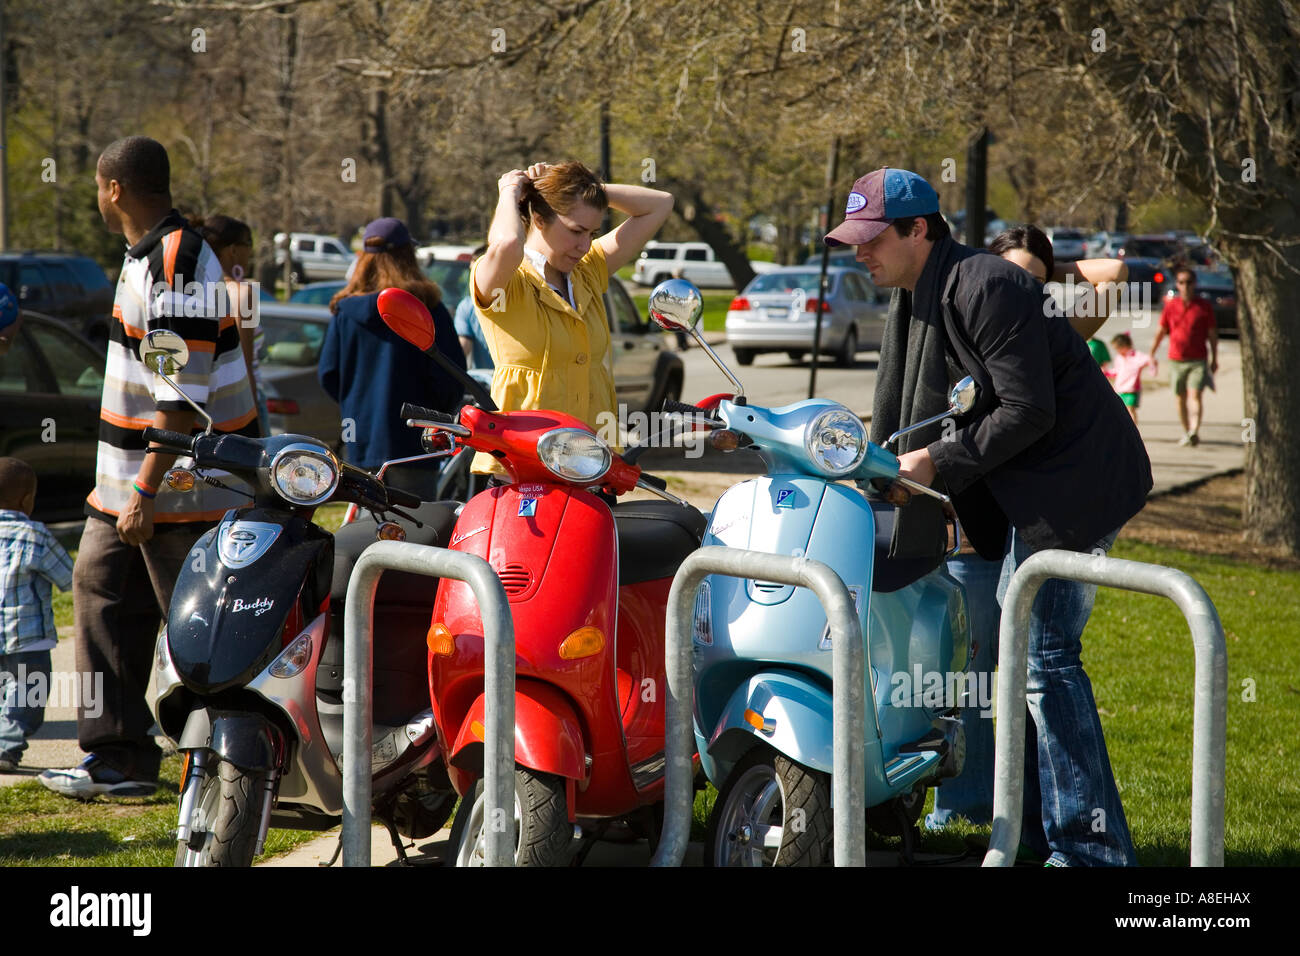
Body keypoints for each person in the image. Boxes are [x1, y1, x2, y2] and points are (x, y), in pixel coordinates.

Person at [827, 166, 1151, 866]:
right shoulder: (921, 290)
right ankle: (1035, 835)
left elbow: (1028, 410)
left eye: (870, 237)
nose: (858, 251)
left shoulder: (989, 285)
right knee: (1023, 663)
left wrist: (936, 463)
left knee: (1045, 660)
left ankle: (1090, 853)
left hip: (1076, 489)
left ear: (919, 229)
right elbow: (920, 412)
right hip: (1032, 488)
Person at [40, 136, 258, 799]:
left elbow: (181, 399)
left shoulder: (180, 265)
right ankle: (118, 758)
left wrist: (145, 490)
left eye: (96, 190)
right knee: (100, 596)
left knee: (199, 631)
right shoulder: (145, 259)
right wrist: (125, 492)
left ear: (114, 189)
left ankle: (235, 767)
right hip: (127, 491)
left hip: (181, 489)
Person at [927, 224, 1134, 832]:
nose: (1022, 288)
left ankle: (1071, 831)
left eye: (1033, 282)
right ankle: (975, 806)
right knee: (975, 666)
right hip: (983, 517)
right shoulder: (970, 311)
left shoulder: (1049, 328)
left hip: (1042, 509)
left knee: (1039, 665)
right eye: (1010, 276)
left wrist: (1037, 275)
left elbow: (1114, 274)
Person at [468, 161, 673, 479]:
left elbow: (659, 204)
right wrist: (511, 190)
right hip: (526, 466)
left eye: (592, 233)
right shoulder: (506, 280)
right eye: (576, 230)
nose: (584, 245)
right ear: (538, 219)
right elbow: (507, 243)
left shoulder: (587, 270)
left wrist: (584, 190)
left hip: (594, 462)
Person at [317, 216, 466, 498]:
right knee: (416, 529)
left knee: (368, 530)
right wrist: (436, 412)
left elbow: (328, 374)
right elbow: (451, 375)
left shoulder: (345, 312)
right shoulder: (428, 308)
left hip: (361, 439)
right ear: (408, 256)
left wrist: (357, 405)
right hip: (414, 442)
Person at [0, 459, 74, 773]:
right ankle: (5, 748)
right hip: (27, 636)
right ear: (27, 501)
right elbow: (70, 578)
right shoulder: (35, 535)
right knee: (27, 693)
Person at [191, 214, 267, 435]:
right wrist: (254, 424)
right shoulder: (245, 294)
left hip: (204, 400)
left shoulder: (193, 289)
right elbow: (244, 363)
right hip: (241, 403)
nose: (250, 253)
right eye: (248, 245)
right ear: (232, 250)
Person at [1149, 264, 1217, 447]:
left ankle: (1195, 429)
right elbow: (1161, 331)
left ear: (1194, 283)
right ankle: (1187, 431)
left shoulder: (1203, 306)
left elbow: (1212, 334)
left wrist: (1214, 359)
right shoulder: (1171, 306)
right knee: (1180, 398)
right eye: (1181, 282)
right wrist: (1152, 353)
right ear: (1177, 285)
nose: (1185, 286)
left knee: (1195, 395)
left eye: (1188, 282)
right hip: (1176, 359)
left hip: (1198, 359)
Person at [453, 244, 494, 371]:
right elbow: (463, 349)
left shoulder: (517, 299)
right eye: (471, 272)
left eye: (476, 271)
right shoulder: (467, 306)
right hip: (487, 385)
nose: (473, 278)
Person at [1104, 332, 1158, 425]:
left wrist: (1152, 370)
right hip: (1120, 389)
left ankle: (1133, 430)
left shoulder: (1137, 356)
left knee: (1130, 409)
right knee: (1120, 411)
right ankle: (1124, 431)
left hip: (1132, 389)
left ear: (1125, 346)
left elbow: (1150, 360)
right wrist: (1106, 373)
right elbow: (1117, 371)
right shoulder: (1119, 358)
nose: (1117, 351)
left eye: (1118, 348)